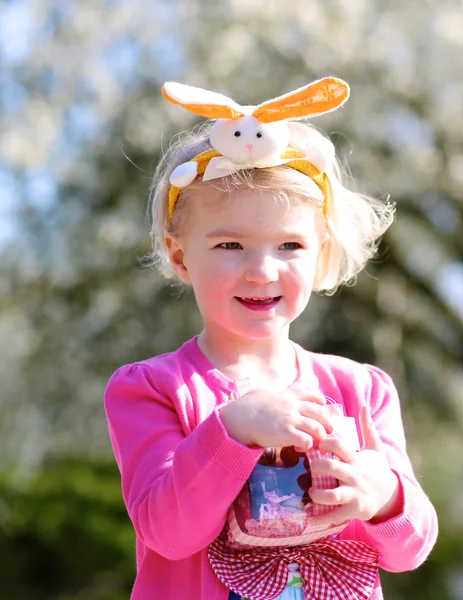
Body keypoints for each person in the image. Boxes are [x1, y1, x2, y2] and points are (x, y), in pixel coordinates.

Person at [104, 76, 438, 600]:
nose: (261, 271)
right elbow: (169, 532)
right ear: (179, 255)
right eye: (231, 244)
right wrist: (231, 429)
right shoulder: (153, 389)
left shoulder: (361, 389)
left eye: (289, 244)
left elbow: (410, 548)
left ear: (321, 252)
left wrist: (385, 495)